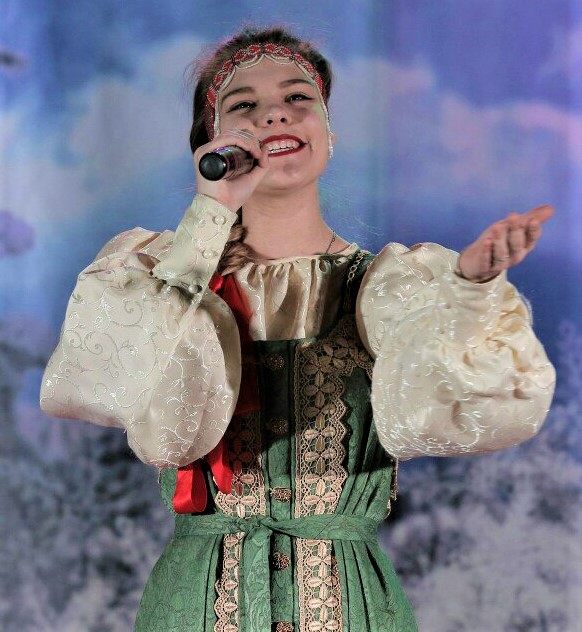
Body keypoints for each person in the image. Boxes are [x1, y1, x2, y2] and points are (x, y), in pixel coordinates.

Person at [40, 26, 556, 632]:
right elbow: (115, 383)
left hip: (351, 612)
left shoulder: (391, 286)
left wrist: (469, 291)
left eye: (297, 97)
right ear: (211, 143)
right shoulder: (159, 277)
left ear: (329, 134)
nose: (275, 113)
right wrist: (210, 215)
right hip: (198, 609)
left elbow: (464, 415)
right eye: (244, 105)